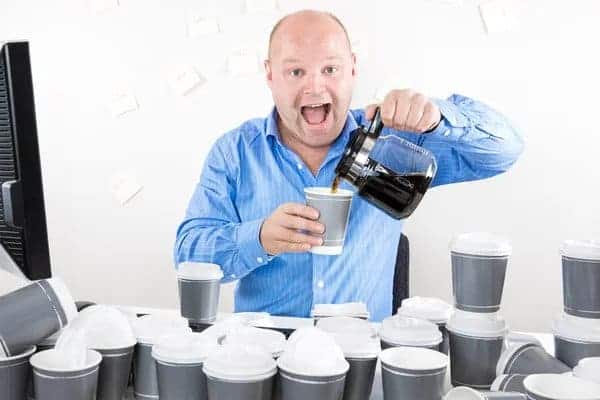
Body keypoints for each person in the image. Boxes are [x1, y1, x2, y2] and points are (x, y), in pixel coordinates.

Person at [174, 10, 524, 321]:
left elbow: (504, 151)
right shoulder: (235, 152)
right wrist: (260, 237)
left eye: (330, 68)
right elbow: (188, 255)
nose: (314, 85)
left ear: (352, 69)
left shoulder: (394, 141)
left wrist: (438, 117)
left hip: (362, 359)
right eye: (296, 71)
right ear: (270, 76)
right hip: (265, 358)